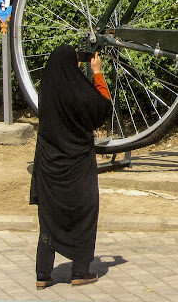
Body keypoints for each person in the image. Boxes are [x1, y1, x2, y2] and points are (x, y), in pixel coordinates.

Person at [30, 45, 113, 289]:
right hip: (78, 168)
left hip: (49, 167)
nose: (78, 65)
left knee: (48, 219)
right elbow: (103, 108)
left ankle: (42, 275)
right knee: (83, 216)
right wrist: (97, 73)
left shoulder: (46, 91)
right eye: (76, 61)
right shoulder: (80, 92)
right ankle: (80, 271)